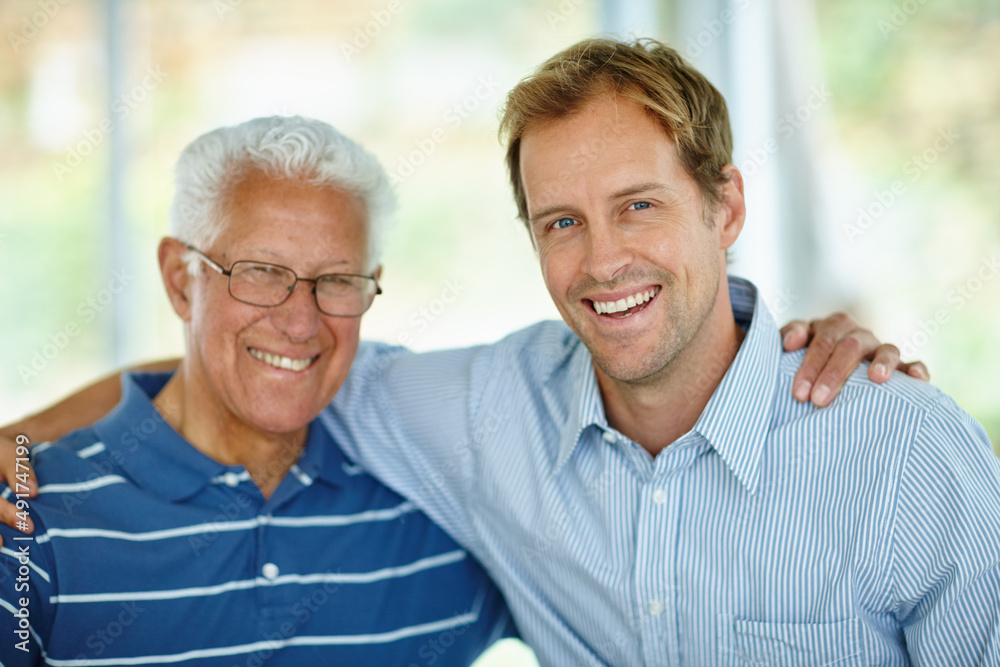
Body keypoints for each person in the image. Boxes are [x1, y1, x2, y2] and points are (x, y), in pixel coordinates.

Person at [0, 40, 946, 664]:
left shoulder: (896, 448)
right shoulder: (28, 517)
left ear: (726, 206)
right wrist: (19, 439)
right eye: (563, 220)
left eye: (640, 205)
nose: (299, 319)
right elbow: (237, 370)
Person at [0, 116, 513, 665]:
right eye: (263, 271)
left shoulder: (439, 504)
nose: (299, 324)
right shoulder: (29, 517)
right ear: (180, 279)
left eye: (337, 281)